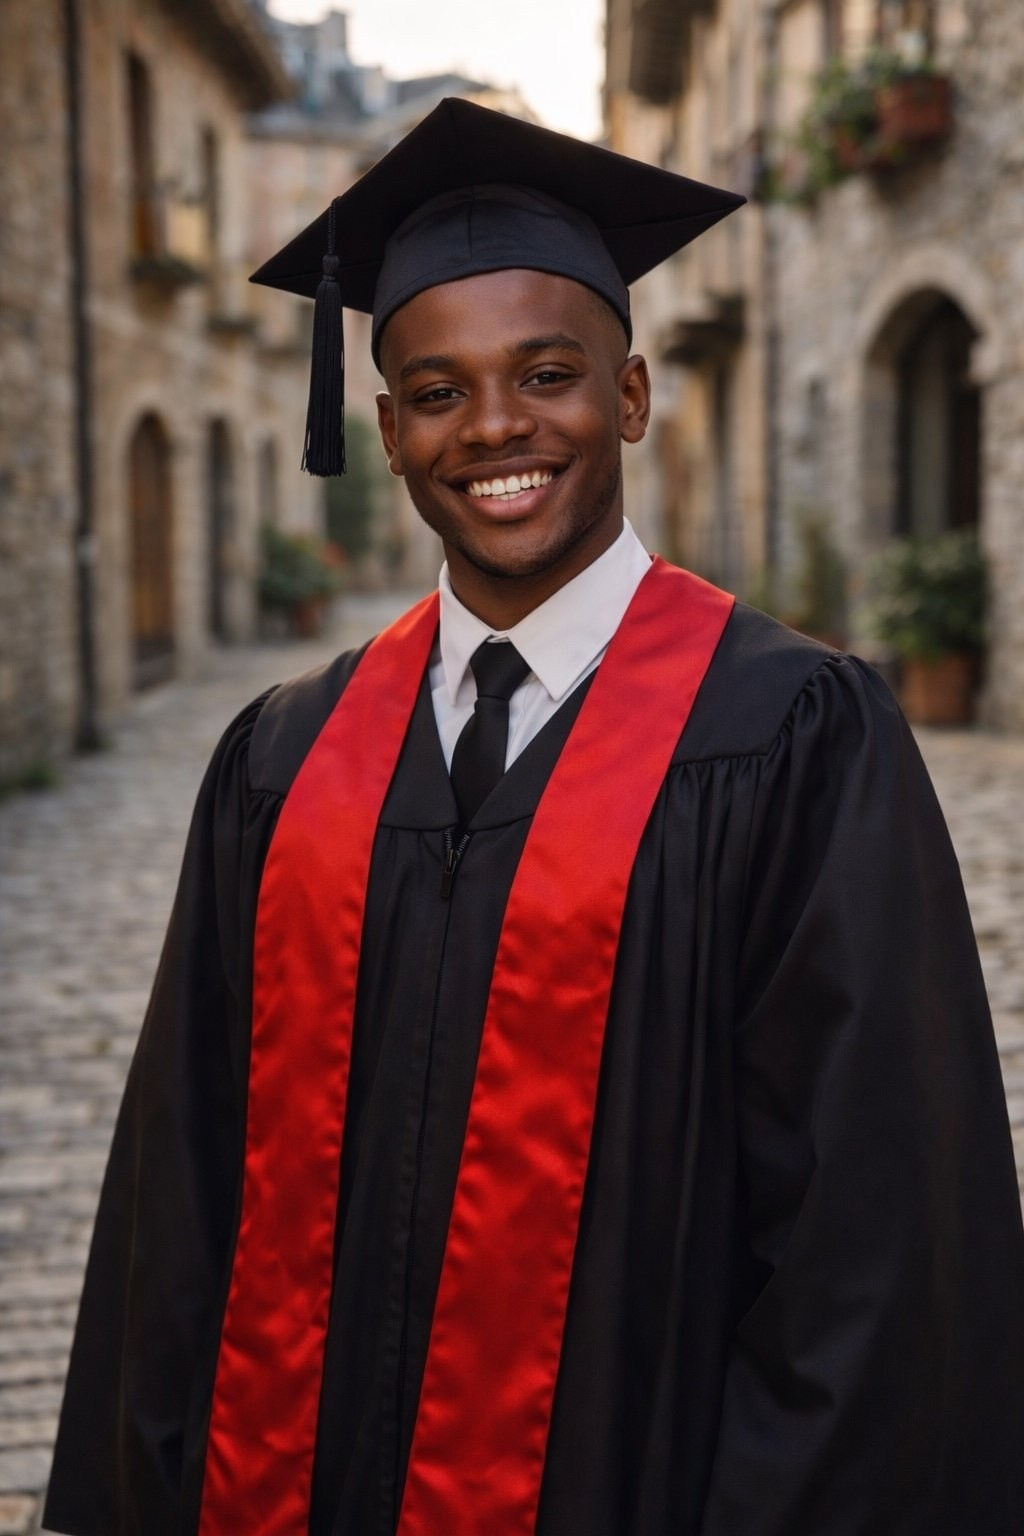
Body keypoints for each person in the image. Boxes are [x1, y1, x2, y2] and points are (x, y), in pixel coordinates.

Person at [45, 99, 1024, 1536]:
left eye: (548, 373)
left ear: (629, 396)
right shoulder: (287, 757)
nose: (496, 427)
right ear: (383, 430)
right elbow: (182, 1187)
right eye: (437, 391)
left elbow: (873, 1242)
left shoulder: (793, 734)